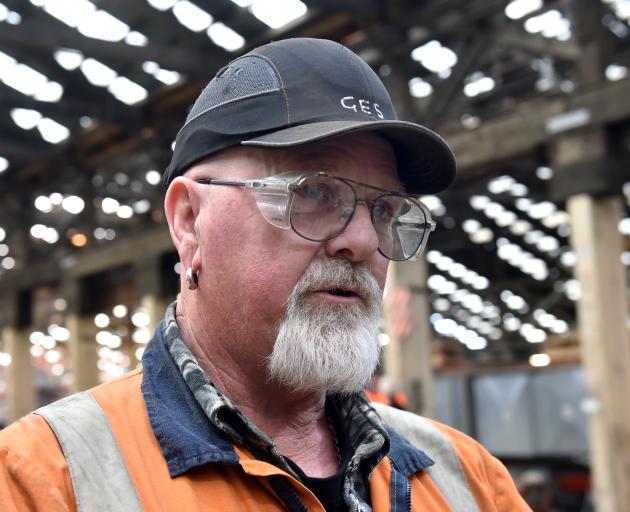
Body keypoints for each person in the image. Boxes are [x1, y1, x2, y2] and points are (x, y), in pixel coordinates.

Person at [0, 38, 529, 511]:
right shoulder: (45, 480)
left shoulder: (470, 481)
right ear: (189, 221)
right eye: (314, 192)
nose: (364, 240)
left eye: (385, 209)